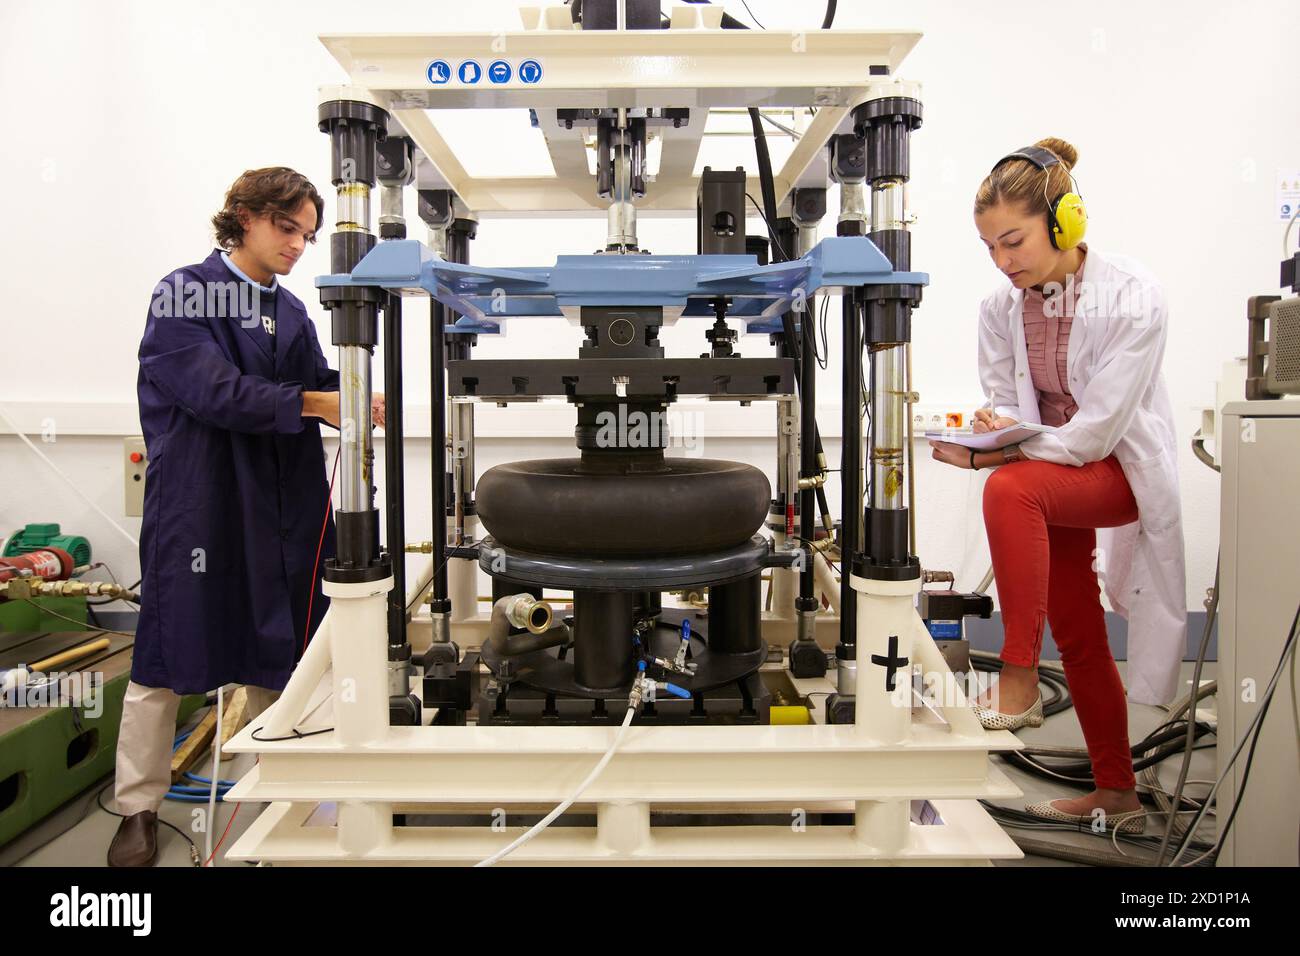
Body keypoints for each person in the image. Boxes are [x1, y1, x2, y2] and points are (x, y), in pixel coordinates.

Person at [108, 167, 384, 866]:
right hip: (201, 502)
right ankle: (137, 807)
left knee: (280, 651)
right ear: (245, 217)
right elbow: (213, 389)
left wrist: (355, 395)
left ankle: (279, 802)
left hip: (280, 506)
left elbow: (321, 382)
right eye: (286, 227)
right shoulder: (184, 293)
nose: (298, 245)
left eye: (308, 235)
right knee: (165, 656)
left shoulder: (291, 313)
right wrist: (316, 405)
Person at [928, 138, 1186, 832]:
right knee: (1077, 627)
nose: (1004, 261)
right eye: (990, 248)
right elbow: (1006, 405)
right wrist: (985, 431)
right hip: (1052, 474)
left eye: (1014, 240)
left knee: (1007, 493)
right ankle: (1117, 792)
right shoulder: (999, 310)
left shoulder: (1133, 298)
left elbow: (1097, 435)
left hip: (1116, 472)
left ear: (1065, 221)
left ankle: (1017, 681)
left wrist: (995, 460)